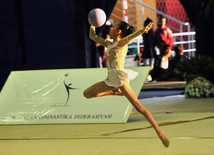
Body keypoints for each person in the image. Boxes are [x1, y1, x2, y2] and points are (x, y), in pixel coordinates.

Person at [83, 21, 170, 147]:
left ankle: (159, 131)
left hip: (120, 79)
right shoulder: (109, 43)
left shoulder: (122, 43)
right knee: (87, 94)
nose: (111, 28)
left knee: (139, 107)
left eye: (114, 27)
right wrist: (91, 23)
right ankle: (114, 92)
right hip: (110, 79)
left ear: (118, 31)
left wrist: (142, 30)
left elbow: (131, 37)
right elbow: (93, 37)